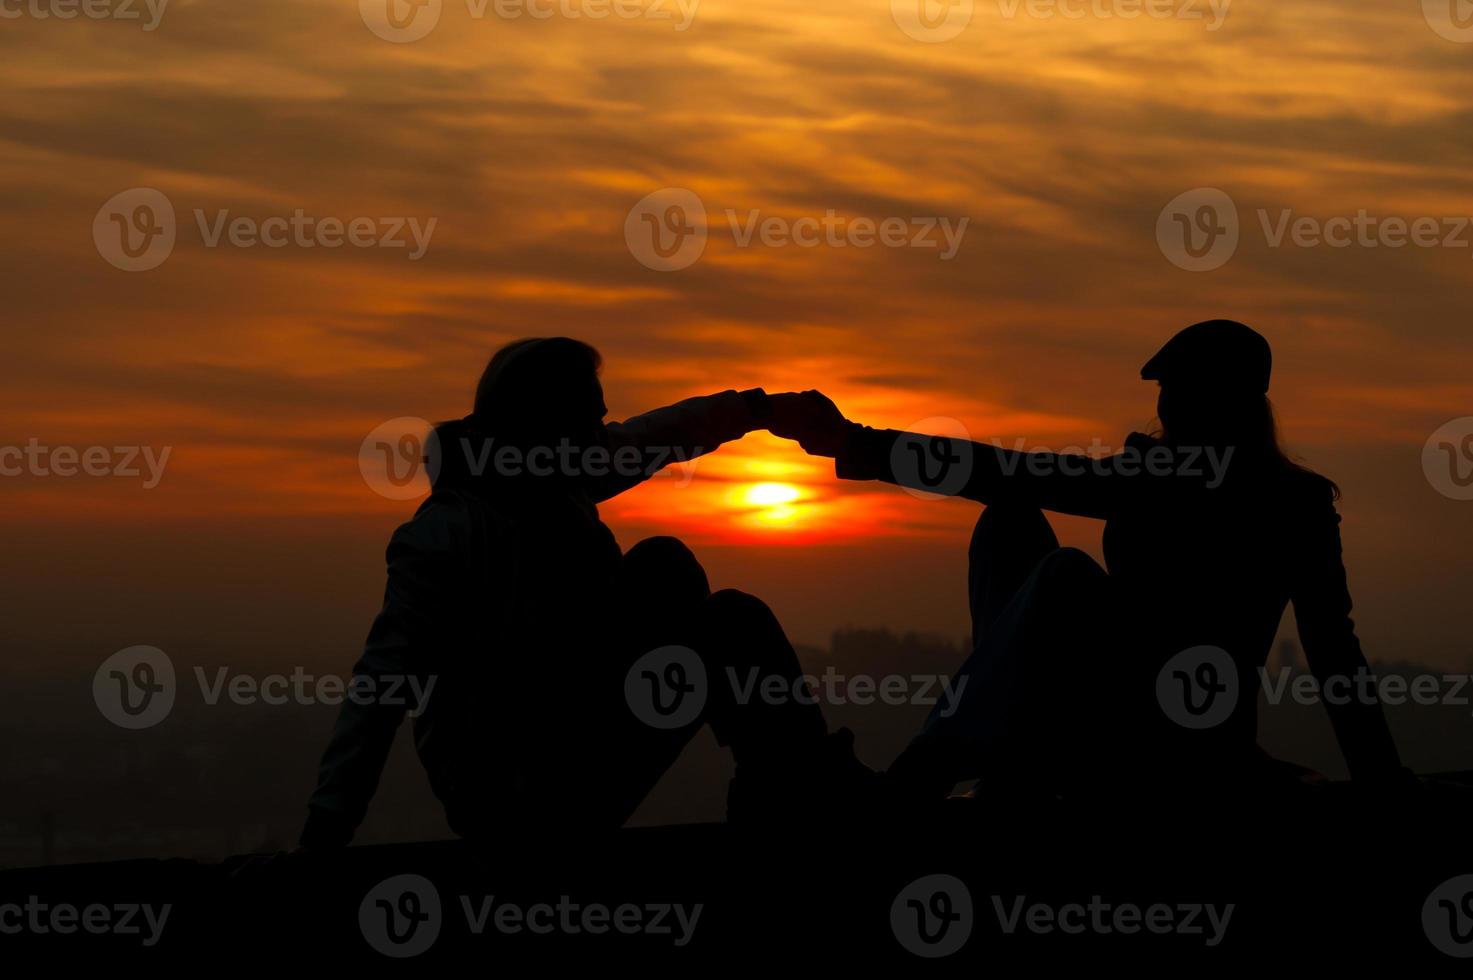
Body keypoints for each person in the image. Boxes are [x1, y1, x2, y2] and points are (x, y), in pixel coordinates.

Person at [779, 320, 1410, 800]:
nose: (1164, 408)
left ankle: (919, 780)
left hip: (1182, 735)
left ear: (1221, 403)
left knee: (1064, 575)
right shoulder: (1183, 477)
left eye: (1178, 393)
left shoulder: (1269, 497)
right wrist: (857, 445)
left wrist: (1382, 779)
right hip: (1108, 708)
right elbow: (1010, 475)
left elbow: (1333, 649)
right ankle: (1006, 757)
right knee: (1010, 516)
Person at [300, 338, 870, 849]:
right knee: (722, 618)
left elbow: (659, 434)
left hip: (573, 737)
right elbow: (380, 686)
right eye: (589, 417)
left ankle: (792, 788)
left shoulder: (558, 480)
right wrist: (325, 833)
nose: (603, 425)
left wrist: (764, 409)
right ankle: (801, 797)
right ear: (545, 424)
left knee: (671, 573)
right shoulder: (448, 534)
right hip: (514, 791)